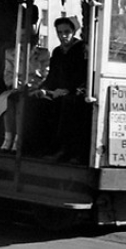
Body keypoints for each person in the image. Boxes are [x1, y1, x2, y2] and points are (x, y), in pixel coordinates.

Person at [24, 16, 91, 162]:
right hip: (56, 92)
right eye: (60, 32)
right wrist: (43, 89)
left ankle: (63, 150)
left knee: (66, 105)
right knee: (34, 102)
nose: (63, 36)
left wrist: (69, 90)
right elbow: (52, 77)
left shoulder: (81, 50)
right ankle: (37, 147)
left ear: (73, 32)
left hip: (74, 93)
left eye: (66, 32)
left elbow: (83, 76)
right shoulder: (57, 52)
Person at [0, 33, 51, 152]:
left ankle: (18, 140)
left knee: (21, 101)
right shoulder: (10, 53)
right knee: (9, 100)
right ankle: (8, 138)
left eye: (27, 35)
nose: (24, 38)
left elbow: (45, 75)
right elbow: (8, 73)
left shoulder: (43, 54)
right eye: (22, 35)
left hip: (34, 88)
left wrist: (32, 85)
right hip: (16, 87)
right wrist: (15, 84)